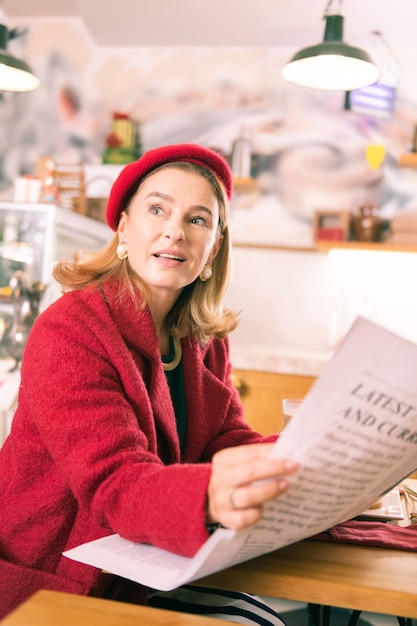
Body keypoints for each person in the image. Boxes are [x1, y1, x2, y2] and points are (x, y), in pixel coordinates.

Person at [0, 143, 298, 622]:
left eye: (198, 219)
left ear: (213, 247)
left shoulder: (204, 339)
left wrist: (308, 455)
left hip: (144, 565)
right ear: (122, 226)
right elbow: (114, 483)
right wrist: (211, 494)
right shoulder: (71, 329)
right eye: (157, 209)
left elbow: (226, 441)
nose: (175, 231)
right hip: (51, 580)